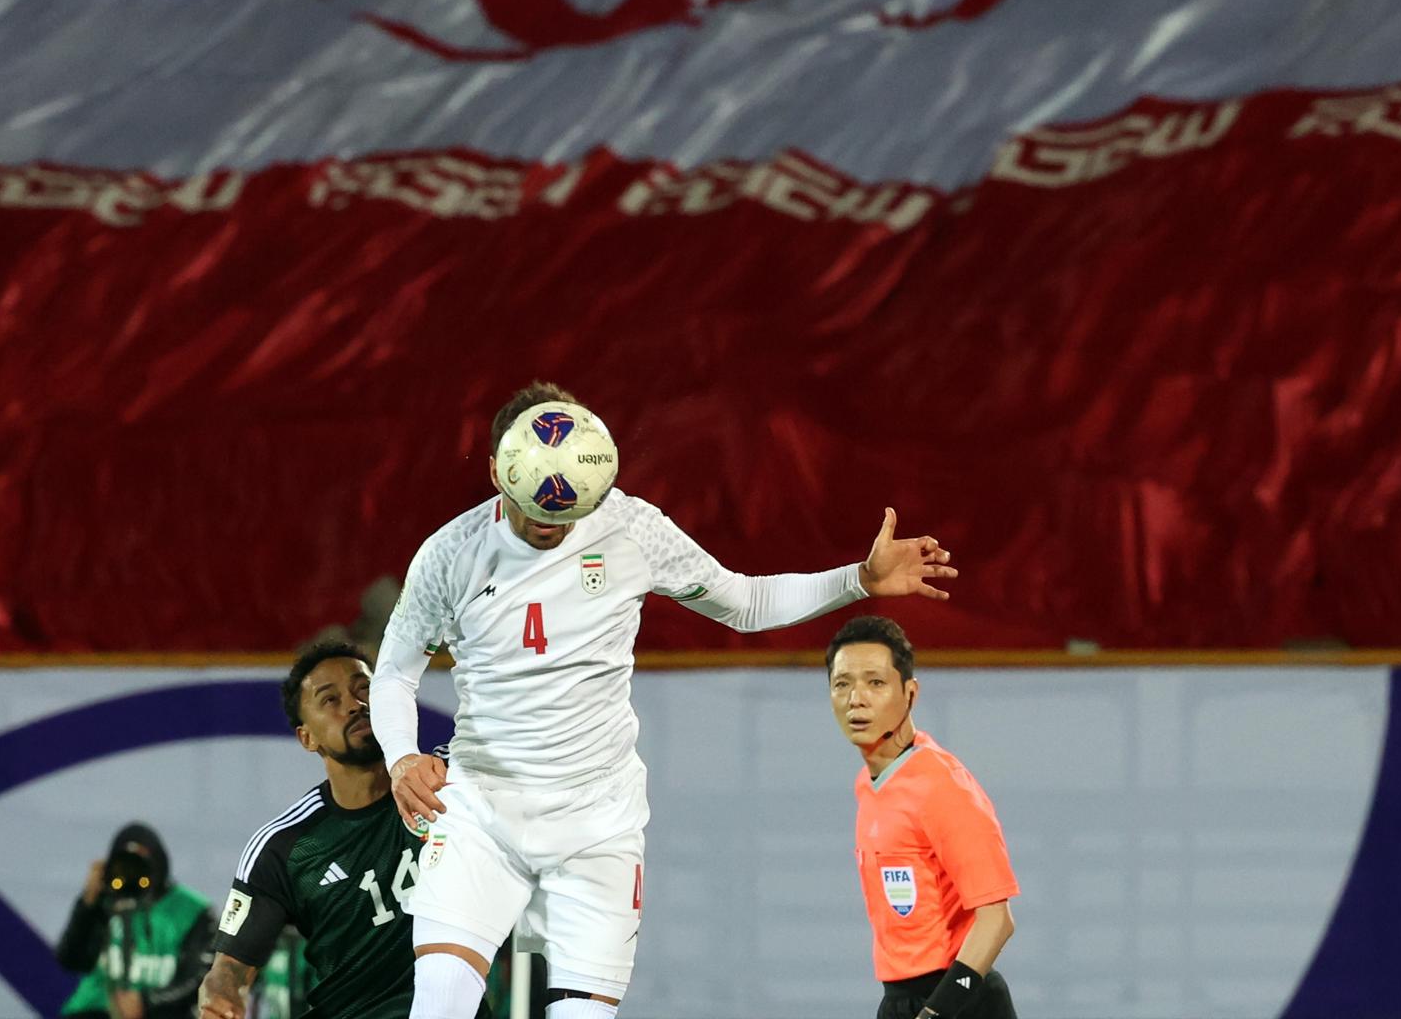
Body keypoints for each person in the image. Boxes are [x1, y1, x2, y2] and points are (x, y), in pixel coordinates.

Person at [370, 381, 960, 1019]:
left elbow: (745, 603)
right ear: (495, 472)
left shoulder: (631, 528)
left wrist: (859, 580)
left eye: (567, 514)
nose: (549, 525)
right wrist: (402, 757)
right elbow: (394, 675)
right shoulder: (449, 554)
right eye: (533, 509)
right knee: (439, 1007)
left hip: (598, 822)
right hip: (481, 810)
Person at [198, 642, 490, 1019]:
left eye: (363, 688)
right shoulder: (283, 847)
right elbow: (230, 968)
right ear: (307, 738)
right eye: (329, 699)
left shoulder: (450, 779)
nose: (354, 705)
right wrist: (222, 995)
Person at [827, 616, 1019, 1019]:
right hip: (900, 1000)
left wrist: (939, 1011)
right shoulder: (870, 784)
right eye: (842, 683)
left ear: (910, 694)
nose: (855, 698)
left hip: (960, 1001)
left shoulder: (943, 785)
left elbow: (996, 920)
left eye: (875, 683)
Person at [55, 823, 212, 1019]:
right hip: (98, 1011)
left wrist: (148, 1002)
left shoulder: (192, 910)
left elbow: (199, 979)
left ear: (158, 861)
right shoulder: (104, 903)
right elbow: (72, 960)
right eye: (124, 862)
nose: (132, 870)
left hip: (164, 1013)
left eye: (141, 861)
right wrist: (87, 905)